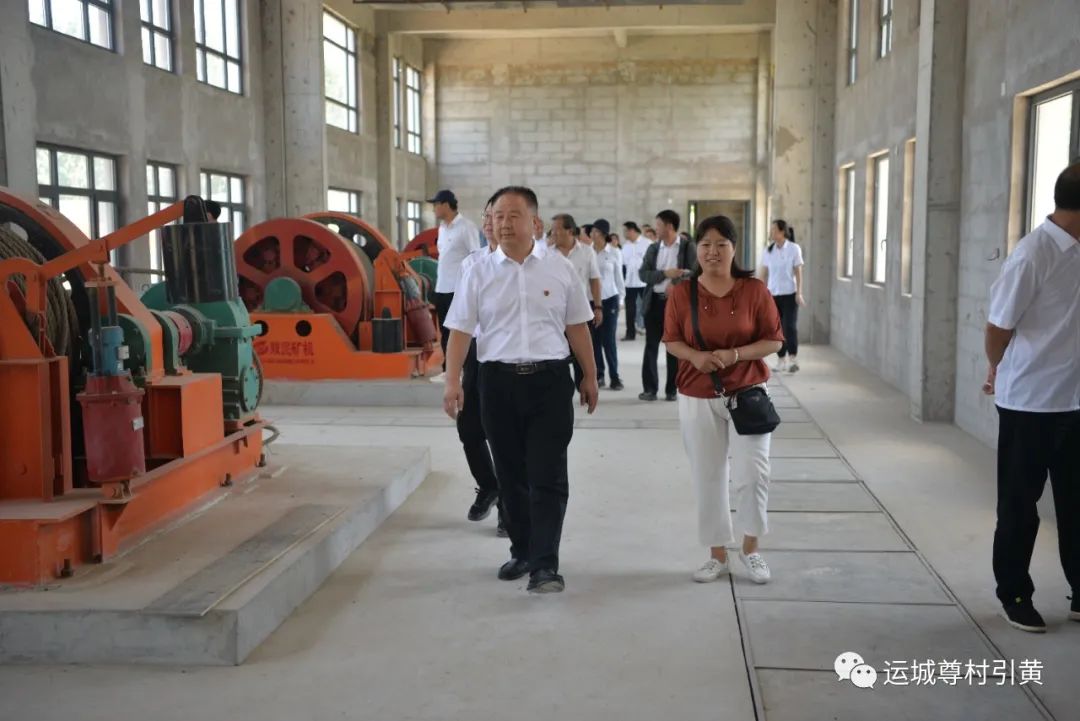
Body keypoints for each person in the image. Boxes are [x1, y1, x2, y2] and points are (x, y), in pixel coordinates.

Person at [443, 186, 599, 595]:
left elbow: (577, 326)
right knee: (511, 476)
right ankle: (523, 551)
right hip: (497, 383)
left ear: (535, 222)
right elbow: (460, 330)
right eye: (498, 216)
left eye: (514, 215)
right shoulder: (477, 271)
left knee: (548, 475)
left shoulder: (559, 269)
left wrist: (590, 374)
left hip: (550, 382)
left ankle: (546, 565)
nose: (504, 224)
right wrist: (452, 381)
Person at [983, 161, 1080, 633]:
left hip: (1076, 402)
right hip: (1030, 404)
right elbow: (998, 327)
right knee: (1020, 506)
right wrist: (995, 367)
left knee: (1077, 505)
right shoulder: (1032, 254)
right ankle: (1015, 593)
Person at [662, 215, 784, 585]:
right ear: (696, 249)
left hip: (748, 393)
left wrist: (736, 354)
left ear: (734, 248)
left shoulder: (754, 290)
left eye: (721, 244)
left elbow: (774, 340)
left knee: (754, 473)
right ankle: (717, 554)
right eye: (705, 244)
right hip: (697, 395)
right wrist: (695, 357)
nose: (712, 251)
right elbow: (671, 340)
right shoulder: (682, 294)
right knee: (708, 476)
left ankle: (751, 548)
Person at [457, 196, 506, 536]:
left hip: (506, 353)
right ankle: (490, 486)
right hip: (476, 352)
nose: (490, 223)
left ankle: (509, 509)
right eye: (487, 216)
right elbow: (461, 320)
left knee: (504, 435)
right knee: (469, 429)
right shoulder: (471, 263)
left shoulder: (525, 263)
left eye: (497, 216)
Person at [638, 209, 696, 402]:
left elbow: (696, 273)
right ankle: (650, 389)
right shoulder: (653, 249)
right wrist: (665, 274)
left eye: (659, 225)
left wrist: (677, 283)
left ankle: (672, 389)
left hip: (676, 305)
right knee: (651, 347)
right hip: (654, 302)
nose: (656, 228)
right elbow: (643, 274)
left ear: (669, 226)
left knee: (674, 347)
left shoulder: (687, 247)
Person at [431, 189, 481, 377]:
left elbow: (475, 256)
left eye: (436, 205)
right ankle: (449, 370)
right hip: (442, 288)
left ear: (446, 205)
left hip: (458, 289)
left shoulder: (466, 227)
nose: (434, 209)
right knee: (445, 331)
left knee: (460, 331)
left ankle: (465, 370)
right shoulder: (442, 229)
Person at [551, 213, 603, 389]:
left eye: (557, 230)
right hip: (555, 313)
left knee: (581, 354)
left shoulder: (587, 252)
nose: (553, 234)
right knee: (559, 354)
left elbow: (594, 280)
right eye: (552, 230)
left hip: (581, 311)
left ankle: (585, 386)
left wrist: (598, 306)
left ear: (570, 231)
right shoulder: (547, 254)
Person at [760, 220, 805, 373]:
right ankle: (781, 359)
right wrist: (761, 294)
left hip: (790, 294)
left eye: (774, 229)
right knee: (776, 329)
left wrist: (799, 293)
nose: (771, 232)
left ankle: (792, 359)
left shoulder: (794, 249)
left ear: (782, 232)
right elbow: (764, 274)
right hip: (773, 295)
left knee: (789, 327)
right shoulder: (768, 251)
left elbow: (798, 272)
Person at [590, 220, 625, 390]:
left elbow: (619, 277)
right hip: (591, 301)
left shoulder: (614, 252)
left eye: (595, 232)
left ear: (603, 234)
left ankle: (615, 376)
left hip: (610, 298)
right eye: (592, 232)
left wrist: (621, 299)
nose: (592, 234)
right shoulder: (588, 252)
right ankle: (599, 375)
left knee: (609, 340)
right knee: (594, 340)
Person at [621, 221, 648, 341]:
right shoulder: (625, 246)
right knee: (630, 310)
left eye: (625, 231)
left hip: (644, 282)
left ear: (632, 230)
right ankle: (630, 333)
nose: (624, 233)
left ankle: (652, 331)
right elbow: (623, 264)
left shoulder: (647, 243)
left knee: (648, 308)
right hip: (629, 283)